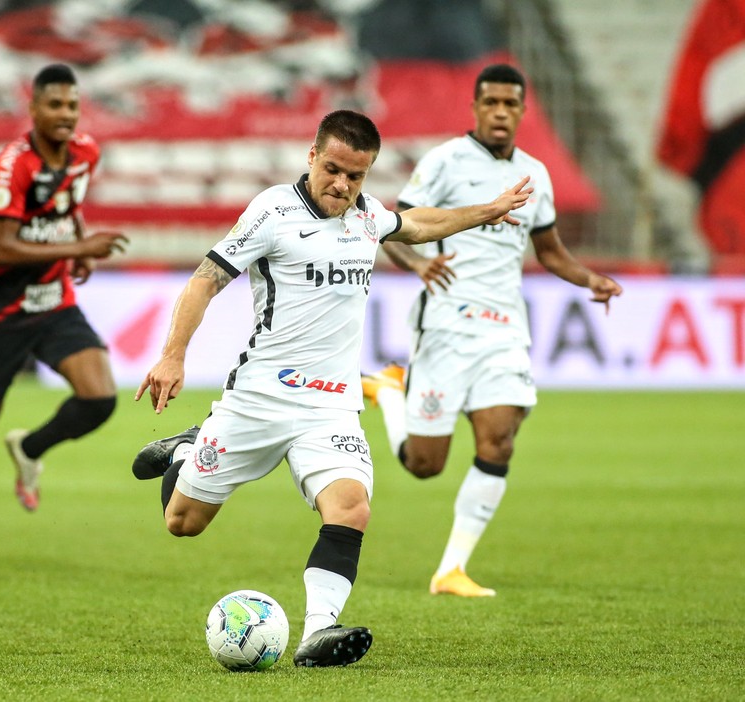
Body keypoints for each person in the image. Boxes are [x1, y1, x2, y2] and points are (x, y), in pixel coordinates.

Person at [131, 109, 532, 666]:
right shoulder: (272, 211)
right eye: (334, 169)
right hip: (259, 398)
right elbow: (205, 280)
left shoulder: (367, 216)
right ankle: (188, 447)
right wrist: (173, 355)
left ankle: (319, 631)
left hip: (330, 405)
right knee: (183, 523)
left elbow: (419, 225)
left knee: (351, 508)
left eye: (357, 175)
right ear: (312, 156)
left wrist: (487, 212)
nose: (342, 185)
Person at [361, 63, 623, 597]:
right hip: (446, 325)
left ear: (523, 111)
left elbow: (549, 251)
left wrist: (589, 278)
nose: (501, 112)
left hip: (504, 330)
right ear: (476, 107)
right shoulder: (445, 161)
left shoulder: (535, 174)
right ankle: (390, 391)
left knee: (498, 441)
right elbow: (391, 225)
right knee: (424, 465)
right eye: (492, 103)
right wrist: (417, 266)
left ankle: (451, 570)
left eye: (511, 104)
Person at [0, 64, 128, 574]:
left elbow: (66, 207)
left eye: (72, 106)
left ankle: (30, 448)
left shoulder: (86, 152)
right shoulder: (11, 166)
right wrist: (82, 245)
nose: (65, 115)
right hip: (3, 313)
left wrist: (76, 248)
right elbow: (3, 244)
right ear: (33, 109)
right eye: (55, 105)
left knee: (100, 398)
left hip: (53, 302)